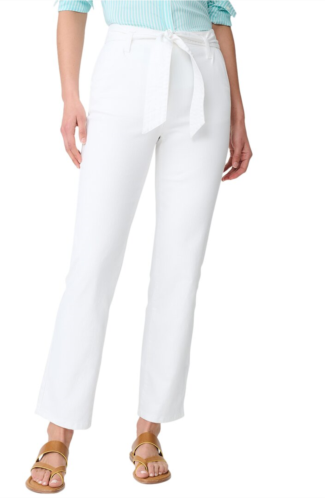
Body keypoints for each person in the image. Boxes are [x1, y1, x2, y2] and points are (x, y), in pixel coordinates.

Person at [26, 0, 253, 493]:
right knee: (92, 262)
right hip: (126, 69)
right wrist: (69, 95)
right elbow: (72, 5)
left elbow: (218, 14)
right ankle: (58, 431)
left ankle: (150, 428)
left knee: (180, 268)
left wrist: (238, 112)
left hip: (202, 72)